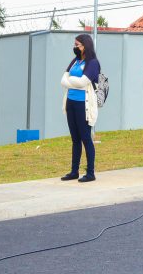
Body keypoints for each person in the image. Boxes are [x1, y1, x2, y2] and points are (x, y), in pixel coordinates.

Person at [59, 34, 100, 183]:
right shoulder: (75, 61)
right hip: (71, 103)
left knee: (85, 138)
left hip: (84, 105)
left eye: (78, 45)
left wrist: (70, 81)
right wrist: (72, 82)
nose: (75, 47)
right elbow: (62, 80)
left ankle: (90, 173)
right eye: (75, 44)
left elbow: (83, 82)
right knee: (75, 139)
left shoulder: (93, 63)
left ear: (85, 46)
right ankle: (74, 171)